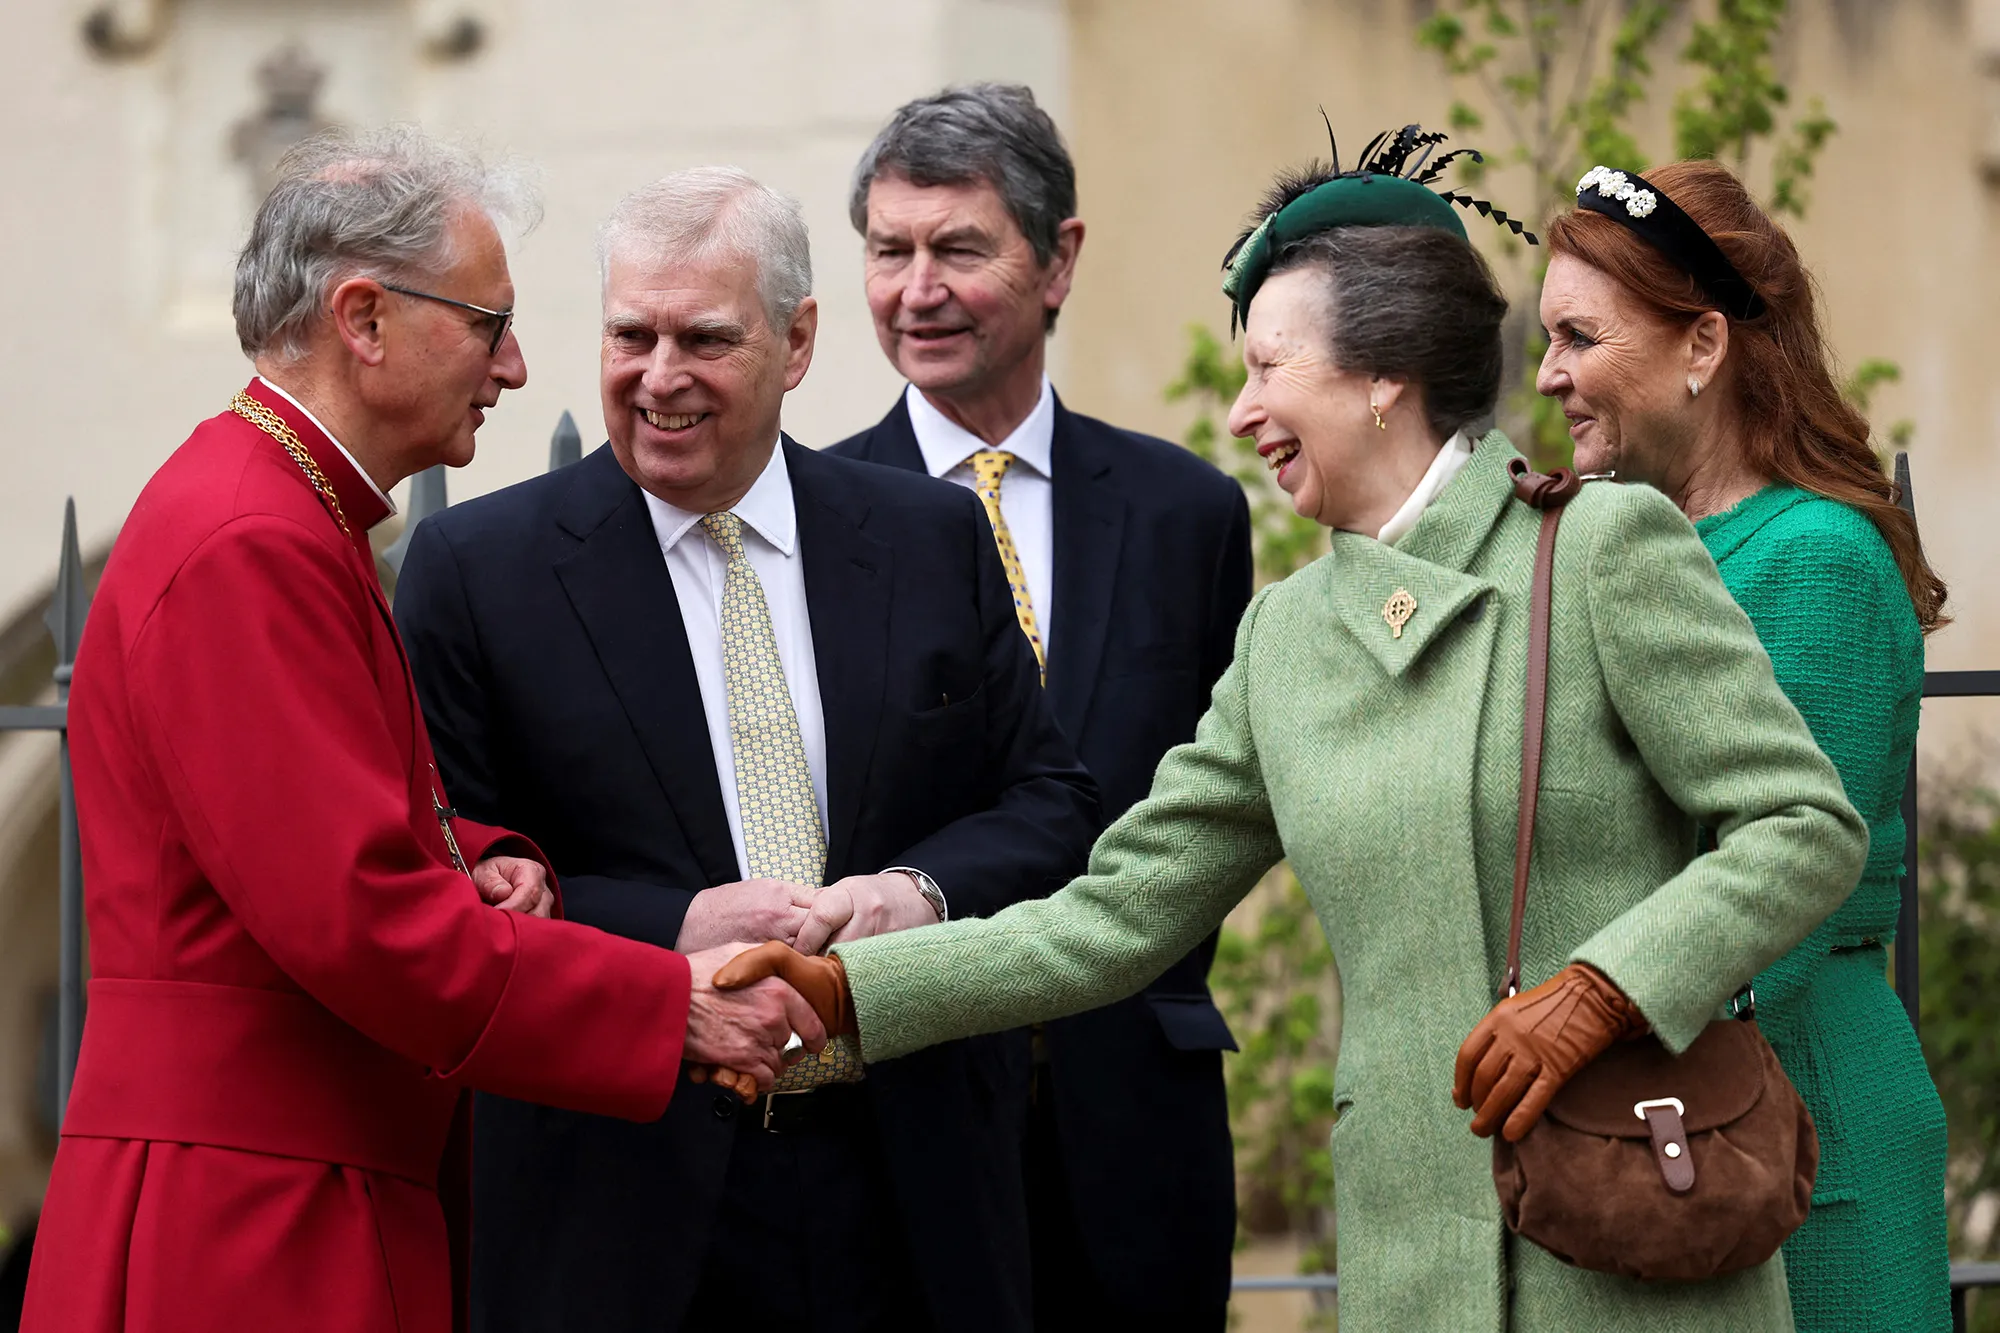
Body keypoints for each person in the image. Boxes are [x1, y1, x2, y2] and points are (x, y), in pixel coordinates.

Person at [712, 128, 1872, 1333]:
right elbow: (1109, 921)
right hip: (1409, 1259)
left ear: (1380, 378)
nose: (1242, 407)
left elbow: (1798, 826)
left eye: (1269, 366)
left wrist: (1604, 988)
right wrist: (848, 987)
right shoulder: (1287, 639)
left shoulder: (1598, 550)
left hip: (1633, 1233)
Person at [18, 128, 823, 1333]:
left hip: (289, 1171)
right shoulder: (251, 539)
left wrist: (481, 861)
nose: (511, 368)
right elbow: (356, 919)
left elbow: (331, 832)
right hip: (253, 1205)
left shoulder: (283, 512)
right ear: (364, 318)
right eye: (488, 324)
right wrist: (671, 1007)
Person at [392, 166, 1101, 1333]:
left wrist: (908, 894)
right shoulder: (480, 574)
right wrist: (671, 926)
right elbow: (451, 882)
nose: (658, 377)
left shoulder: (928, 537)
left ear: (798, 339)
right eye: (631, 333)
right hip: (621, 1213)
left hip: (913, 1195)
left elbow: (1048, 803)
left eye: (704, 338)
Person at [827, 83, 1252, 1331]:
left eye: (957, 248)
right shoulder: (813, 518)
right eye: (888, 251)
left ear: (1056, 258)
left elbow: (1215, 801)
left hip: (1137, 1120)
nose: (916, 290)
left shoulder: (1187, 515)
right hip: (896, 1110)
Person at [1537, 157, 1953, 1332]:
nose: (1548, 374)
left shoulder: (1811, 558)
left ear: (1701, 347)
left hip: (1795, 1129)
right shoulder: (1638, 549)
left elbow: (1780, 889)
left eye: (1576, 334)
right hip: (1680, 1108)